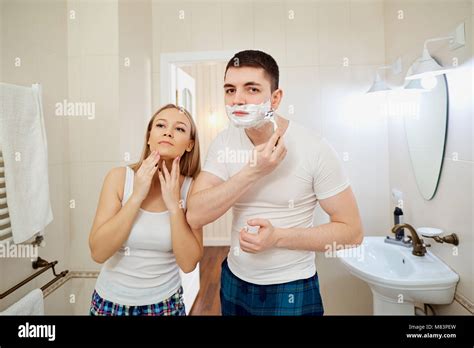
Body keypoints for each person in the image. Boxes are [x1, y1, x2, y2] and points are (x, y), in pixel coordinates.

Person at [186, 50, 364, 316]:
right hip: (234, 278)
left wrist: (279, 237)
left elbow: (352, 233)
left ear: (275, 98)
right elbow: (196, 214)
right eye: (230, 90)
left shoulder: (314, 148)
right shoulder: (224, 143)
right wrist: (253, 171)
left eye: (252, 89)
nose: (238, 100)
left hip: (292, 286)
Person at [88, 104, 203, 316]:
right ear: (149, 137)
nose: (168, 131)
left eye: (179, 129)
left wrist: (174, 206)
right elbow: (98, 252)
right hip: (109, 303)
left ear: (189, 144)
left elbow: (188, 264)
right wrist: (137, 196)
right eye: (161, 125)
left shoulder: (192, 188)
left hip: (165, 305)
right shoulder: (119, 178)